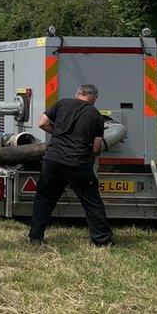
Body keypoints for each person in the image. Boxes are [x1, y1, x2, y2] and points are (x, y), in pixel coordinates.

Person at [29, 84, 113, 246]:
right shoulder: (96, 115)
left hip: (53, 160)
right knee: (91, 202)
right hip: (78, 163)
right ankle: (102, 241)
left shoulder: (62, 103)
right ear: (94, 98)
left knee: (44, 199)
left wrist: (59, 134)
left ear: (77, 94)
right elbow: (96, 146)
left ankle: (35, 237)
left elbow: (42, 123)